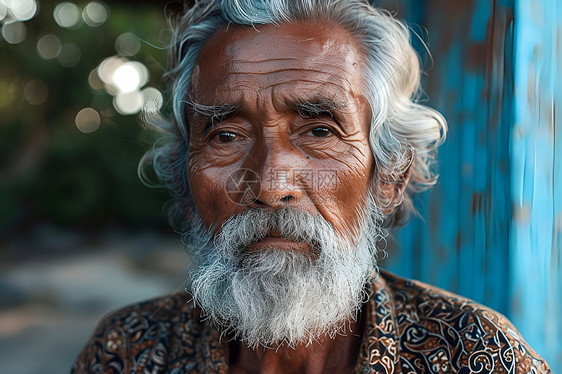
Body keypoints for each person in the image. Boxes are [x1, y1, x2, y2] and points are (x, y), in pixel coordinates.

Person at [72, 0, 551, 373]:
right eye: (226, 136)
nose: (271, 185)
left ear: (390, 175)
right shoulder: (128, 351)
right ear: (184, 174)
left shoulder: (476, 355)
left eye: (320, 131)